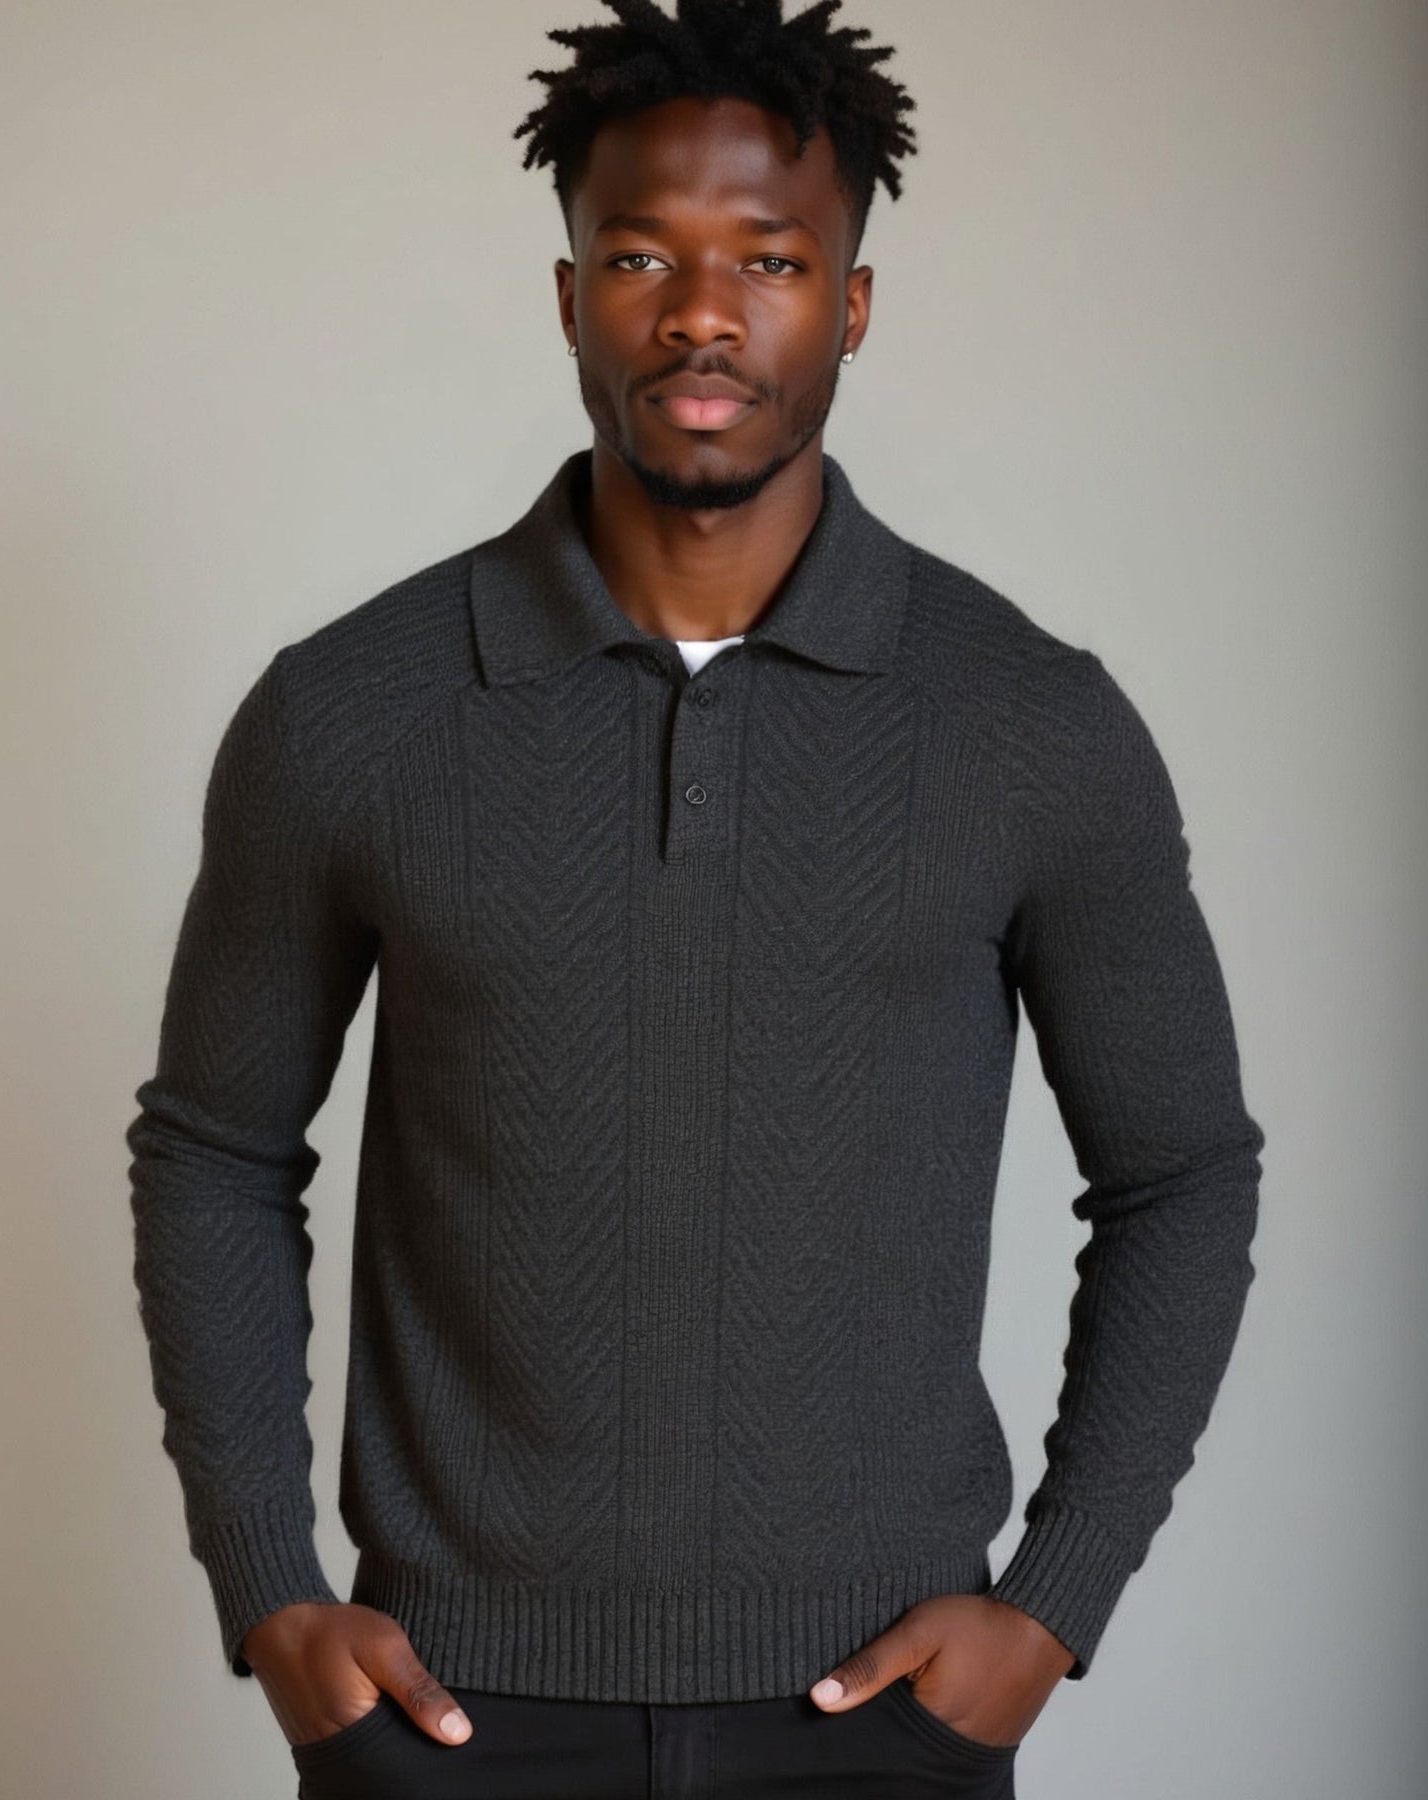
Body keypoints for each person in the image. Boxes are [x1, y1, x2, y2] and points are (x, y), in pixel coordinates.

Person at [126, 2, 1265, 1794]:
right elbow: (214, 1148)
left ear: (854, 306)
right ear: (569, 295)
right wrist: (268, 1585)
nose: (703, 314)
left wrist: (1053, 1604)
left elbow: (1182, 1172)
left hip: (877, 1725)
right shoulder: (350, 712)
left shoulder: (1031, 724)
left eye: (772, 260)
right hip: (451, 1719)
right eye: (642, 254)